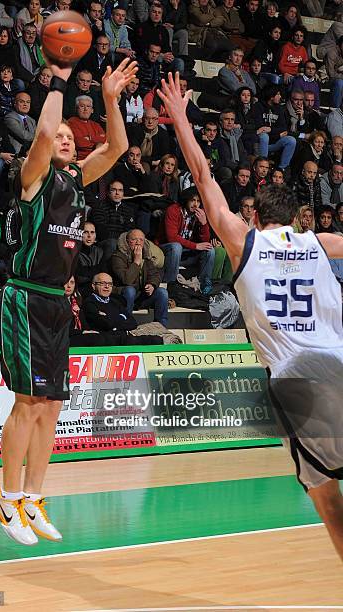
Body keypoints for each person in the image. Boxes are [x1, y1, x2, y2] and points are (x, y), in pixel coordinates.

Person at [158, 72, 343, 562]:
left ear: (257, 217)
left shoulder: (245, 243)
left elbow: (203, 177)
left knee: (326, 498)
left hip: (297, 381)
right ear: (299, 218)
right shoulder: (322, 244)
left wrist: (180, 115)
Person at [0, 57, 137, 546]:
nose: (66, 138)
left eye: (71, 137)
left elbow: (117, 147)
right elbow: (41, 135)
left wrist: (111, 100)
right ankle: (7, 498)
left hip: (57, 302)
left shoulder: (76, 181)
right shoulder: (33, 180)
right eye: (61, 136)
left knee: (51, 407)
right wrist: (55, 76)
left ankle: (32, 497)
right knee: (27, 403)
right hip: (26, 297)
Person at [111, 228, 168, 326]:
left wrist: (152, 285)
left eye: (141, 240)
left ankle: (161, 327)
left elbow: (155, 275)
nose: (138, 243)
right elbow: (126, 280)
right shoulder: (118, 256)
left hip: (140, 296)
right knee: (130, 290)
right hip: (123, 296)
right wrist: (136, 262)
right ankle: (125, 325)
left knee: (162, 292)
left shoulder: (146, 256)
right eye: (134, 239)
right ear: (127, 241)